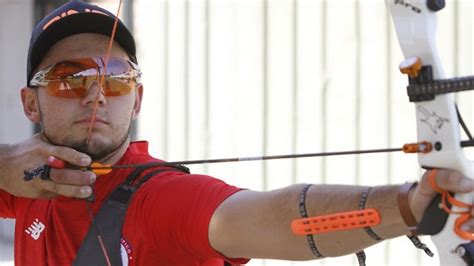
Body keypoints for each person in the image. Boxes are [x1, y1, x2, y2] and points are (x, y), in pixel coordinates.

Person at [0, 1, 472, 265]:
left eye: (116, 78)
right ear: (29, 103)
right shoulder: (25, 178)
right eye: (70, 78)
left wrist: (405, 206)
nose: (97, 95)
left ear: (136, 99)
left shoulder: (157, 200)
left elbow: (269, 219)